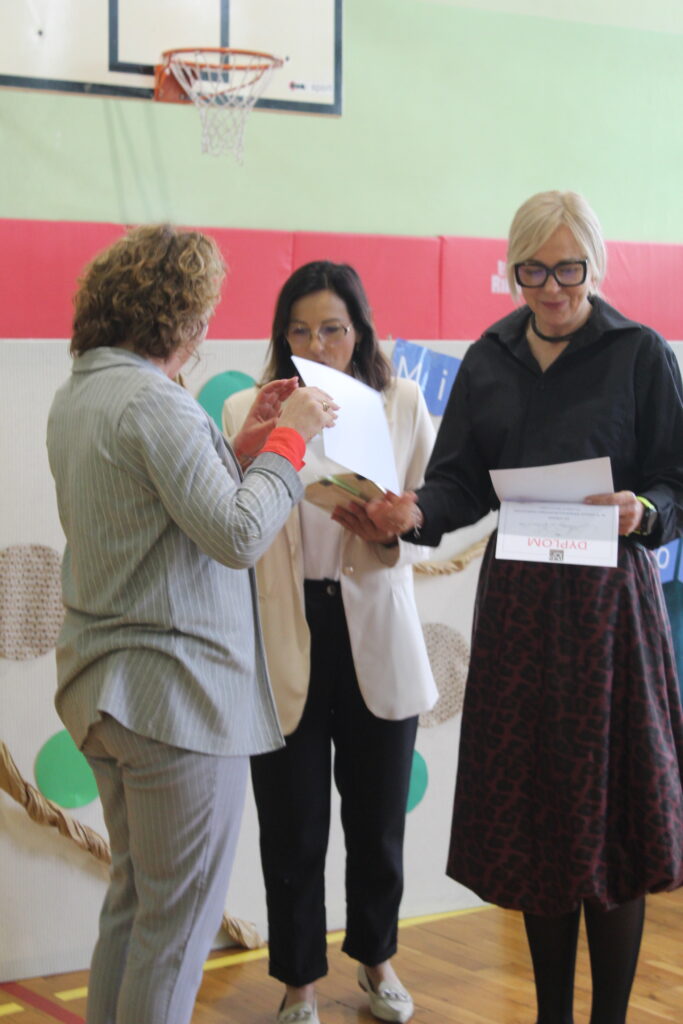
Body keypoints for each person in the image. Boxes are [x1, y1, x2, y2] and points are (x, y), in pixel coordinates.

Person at [366, 191, 683, 1024]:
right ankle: (550, 1016)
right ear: (511, 271)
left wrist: (644, 512)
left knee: (608, 823)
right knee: (543, 821)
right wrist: (414, 513)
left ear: (595, 266)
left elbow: (674, 482)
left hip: (608, 615)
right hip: (519, 612)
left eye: (567, 270)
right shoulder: (489, 356)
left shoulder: (639, 353)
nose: (550, 289)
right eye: (531, 271)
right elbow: (459, 483)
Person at [46, 224, 337, 1024]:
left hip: (109, 692)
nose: (206, 329)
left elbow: (165, 514)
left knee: (135, 909)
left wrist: (240, 449)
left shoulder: (82, 394)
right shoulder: (154, 401)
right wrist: (290, 440)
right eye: (204, 312)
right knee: (174, 935)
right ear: (179, 316)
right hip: (176, 702)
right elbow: (238, 535)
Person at [222, 260, 437, 1024]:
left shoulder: (400, 401)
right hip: (286, 630)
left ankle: (377, 961)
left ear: (360, 331)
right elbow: (232, 523)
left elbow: (432, 519)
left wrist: (393, 527)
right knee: (292, 822)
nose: (318, 344)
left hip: (373, 622)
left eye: (333, 329)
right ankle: (298, 984)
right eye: (301, 330)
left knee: (377, 821)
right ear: (282, 336)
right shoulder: (250, 407)